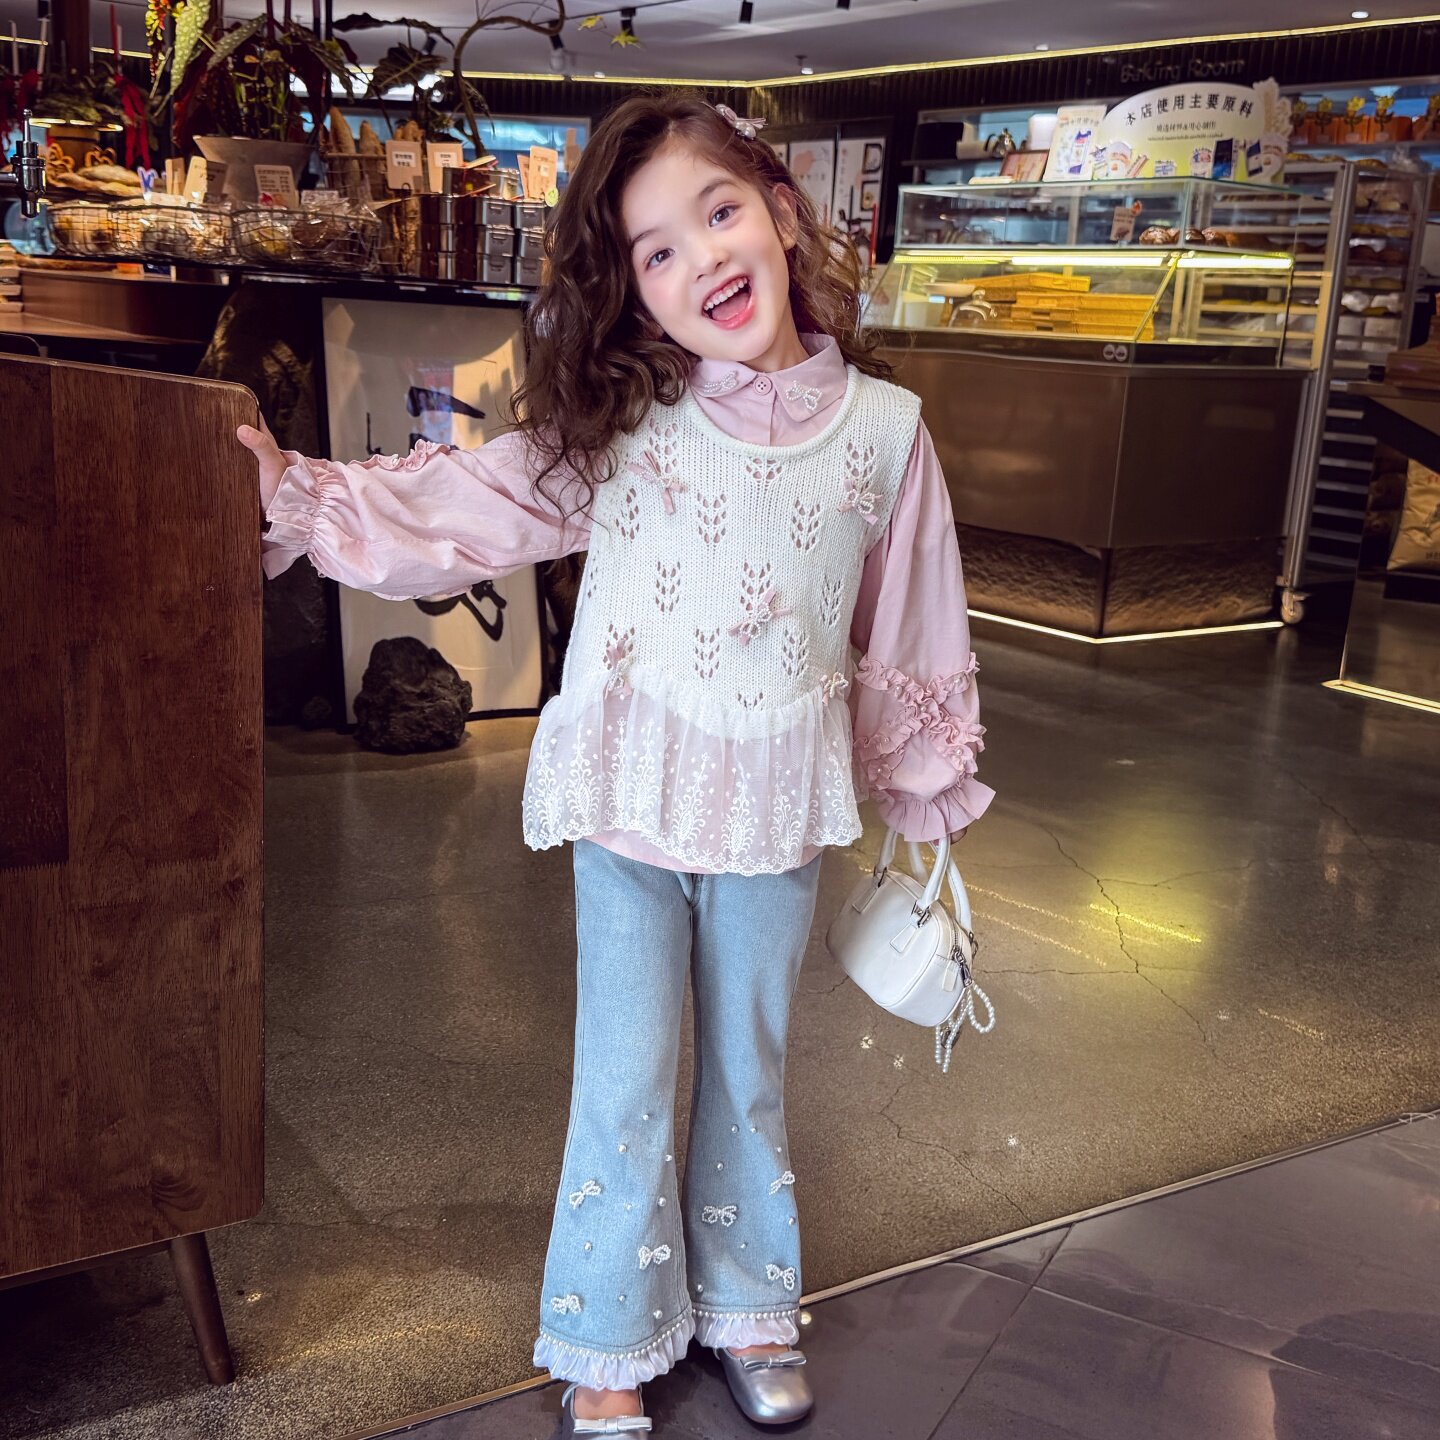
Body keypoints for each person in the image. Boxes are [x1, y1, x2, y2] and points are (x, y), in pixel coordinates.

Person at [242, 91, 993, 1436]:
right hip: (631, 802)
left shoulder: (888, 432)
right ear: (633, 291)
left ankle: (750, 1303)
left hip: (776, 811)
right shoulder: (629, 425)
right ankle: (607, 1328)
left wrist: (918, 788)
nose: (701, 258)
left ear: (779, 210)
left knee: (751, 1067)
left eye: (718, 212)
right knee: (625, 1072)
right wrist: (304, 494)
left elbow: (913, 623)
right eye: (655, 250)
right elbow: (475, 504)